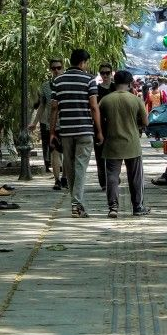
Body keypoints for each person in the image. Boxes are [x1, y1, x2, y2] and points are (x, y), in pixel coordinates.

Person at [50, 48, 103, 219]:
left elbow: (54, 108)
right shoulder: (89, 80)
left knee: (70, 167)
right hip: (85, 130)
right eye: (87, 63)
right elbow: (94, 107)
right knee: (80, 167)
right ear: (82, 63)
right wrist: (99, 130)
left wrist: (52, 132)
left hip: (65, 131)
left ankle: (76, 203)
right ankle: (76, 204)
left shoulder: (58, 81)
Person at [98, 69, 149, 218]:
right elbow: (145, 122)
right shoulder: (135, 100)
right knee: (135, 177)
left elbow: (99, 121)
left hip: (112, 143)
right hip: (132, 143)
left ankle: (113, 207)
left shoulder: (106, 100)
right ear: (130, 83)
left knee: (112, 176)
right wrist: (135, 124)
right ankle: (138, 207)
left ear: (115, 81)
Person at [30, 59, 64, 175]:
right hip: (52, 124)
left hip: (67, 123)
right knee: (54, 151)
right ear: (50, 70)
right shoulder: (45, 86)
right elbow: (42, 106)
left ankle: (65, 177)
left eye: (59, 68)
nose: (56, 70)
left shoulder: (67, 84)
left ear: (63, 68)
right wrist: (34, 123)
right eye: (54, 68)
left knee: (67, 153)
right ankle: (57, 180)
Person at [94, 62, 116, 191]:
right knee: (100, 155)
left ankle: (113, 178)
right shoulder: (96, 89)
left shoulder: (116, 88)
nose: (105, 75)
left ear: (111, 73)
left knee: (114, 155)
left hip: (115, 124)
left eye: (107, 72)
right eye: (103, 73)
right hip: (100, 125)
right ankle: (103, 182)